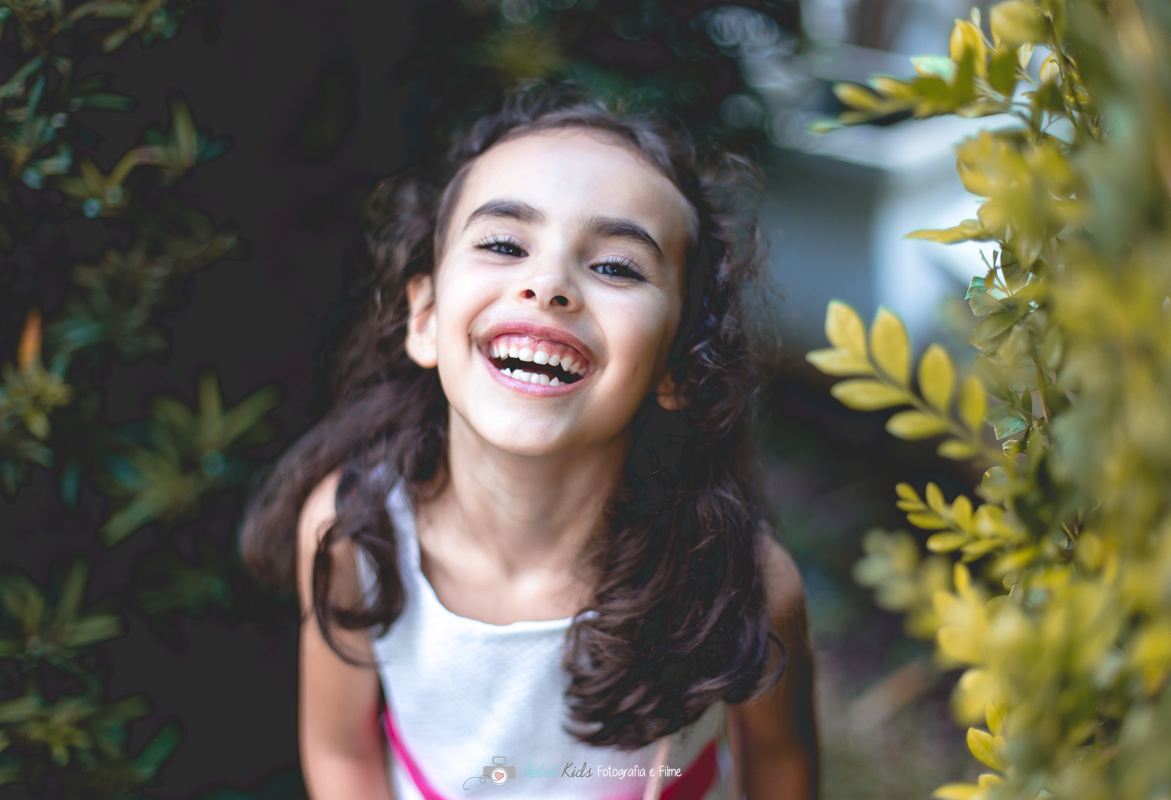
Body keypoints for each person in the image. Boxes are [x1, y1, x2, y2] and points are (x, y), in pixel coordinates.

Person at [241, 82, 818, 800]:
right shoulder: (352, 534)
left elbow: (782, 766)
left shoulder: (741, 585)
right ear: (423, 316)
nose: (548, 284)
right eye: (505, 244)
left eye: (614, 266)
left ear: (678, 363)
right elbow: (341, 752)